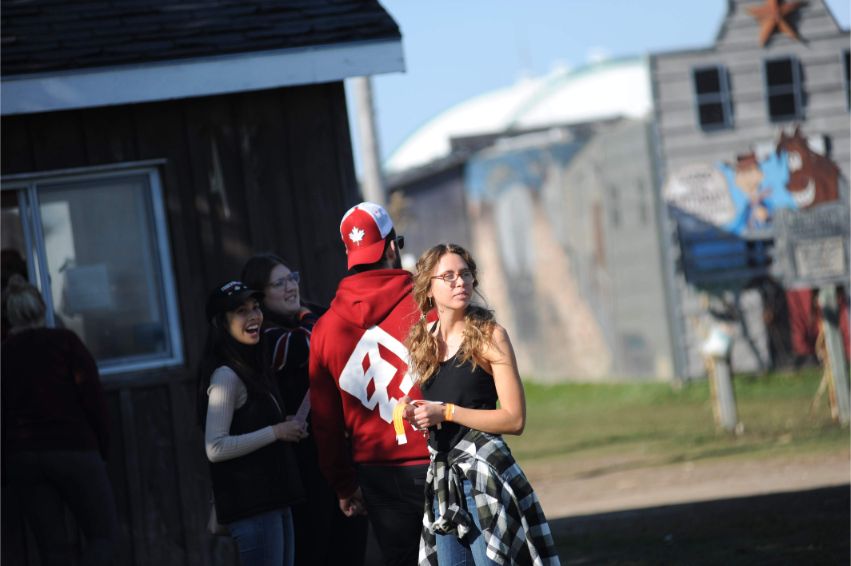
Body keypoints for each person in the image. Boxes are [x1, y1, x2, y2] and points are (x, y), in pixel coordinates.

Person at [403, 243, 560, 566]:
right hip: (443, 480)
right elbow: (441, 397)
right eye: (448, 276)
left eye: (465, 274)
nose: (460, 282)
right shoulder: (423, 337)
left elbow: (514, 419)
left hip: (484, 474)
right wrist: (414, 409)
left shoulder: (490, 336)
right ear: (428, 287)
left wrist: (446, 412)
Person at [308, 202, 431, 566]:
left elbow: (325, 423)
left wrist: (344, 485)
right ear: (392, 247)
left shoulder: (324, 329)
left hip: (378, 475)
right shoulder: (428, 304)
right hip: (438, 458)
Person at [241, 253, 368, 566]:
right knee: (313, 547)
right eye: (278, 283)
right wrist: (306, 315)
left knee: (350, 545)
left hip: (340, 451)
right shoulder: (262, 338)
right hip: (301, 463)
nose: (290, 287)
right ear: (259, 297)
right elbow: (305, 345)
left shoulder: (314, 318)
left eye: (291, 278)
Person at [1, 274, 118, 566]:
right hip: (74, 449)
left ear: (9, 315)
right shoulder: (65, 342)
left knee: (53, 551)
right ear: (42, 309)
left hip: (24, 457)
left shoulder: (4, 354)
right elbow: (93, 399)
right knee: (102, 537)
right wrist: (102, 449)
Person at [197, 280, 306, 566]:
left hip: (275, 499)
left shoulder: (253, 366)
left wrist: (284, 425)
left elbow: (249, 424)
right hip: (252, 508)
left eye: (256, 307)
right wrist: (276, 431)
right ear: (221, 323)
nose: (254, 316)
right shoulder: (225, 375)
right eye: (241, 311)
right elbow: (215, 447)